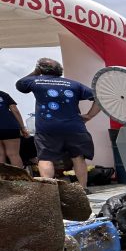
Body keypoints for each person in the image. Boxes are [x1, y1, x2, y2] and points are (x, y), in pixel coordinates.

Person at [16, 58, 100, 189]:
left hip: (47, 128)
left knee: (45, 158)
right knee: (78, 157)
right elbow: (98, 97)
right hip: (75, 127)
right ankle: (83, 189)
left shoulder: (35, 81)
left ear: (40, 69)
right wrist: (89, 115)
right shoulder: (74, 84)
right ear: (60, 70)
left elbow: (20, 84)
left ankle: (49, 191)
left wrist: (36, 72)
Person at [0, 89, 29, 168]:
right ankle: (20, 178)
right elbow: (14, 110)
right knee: (13, 154)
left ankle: (2, 178)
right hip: (9, 126)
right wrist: (23, 127)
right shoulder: (3, 94)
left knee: (0, 154)